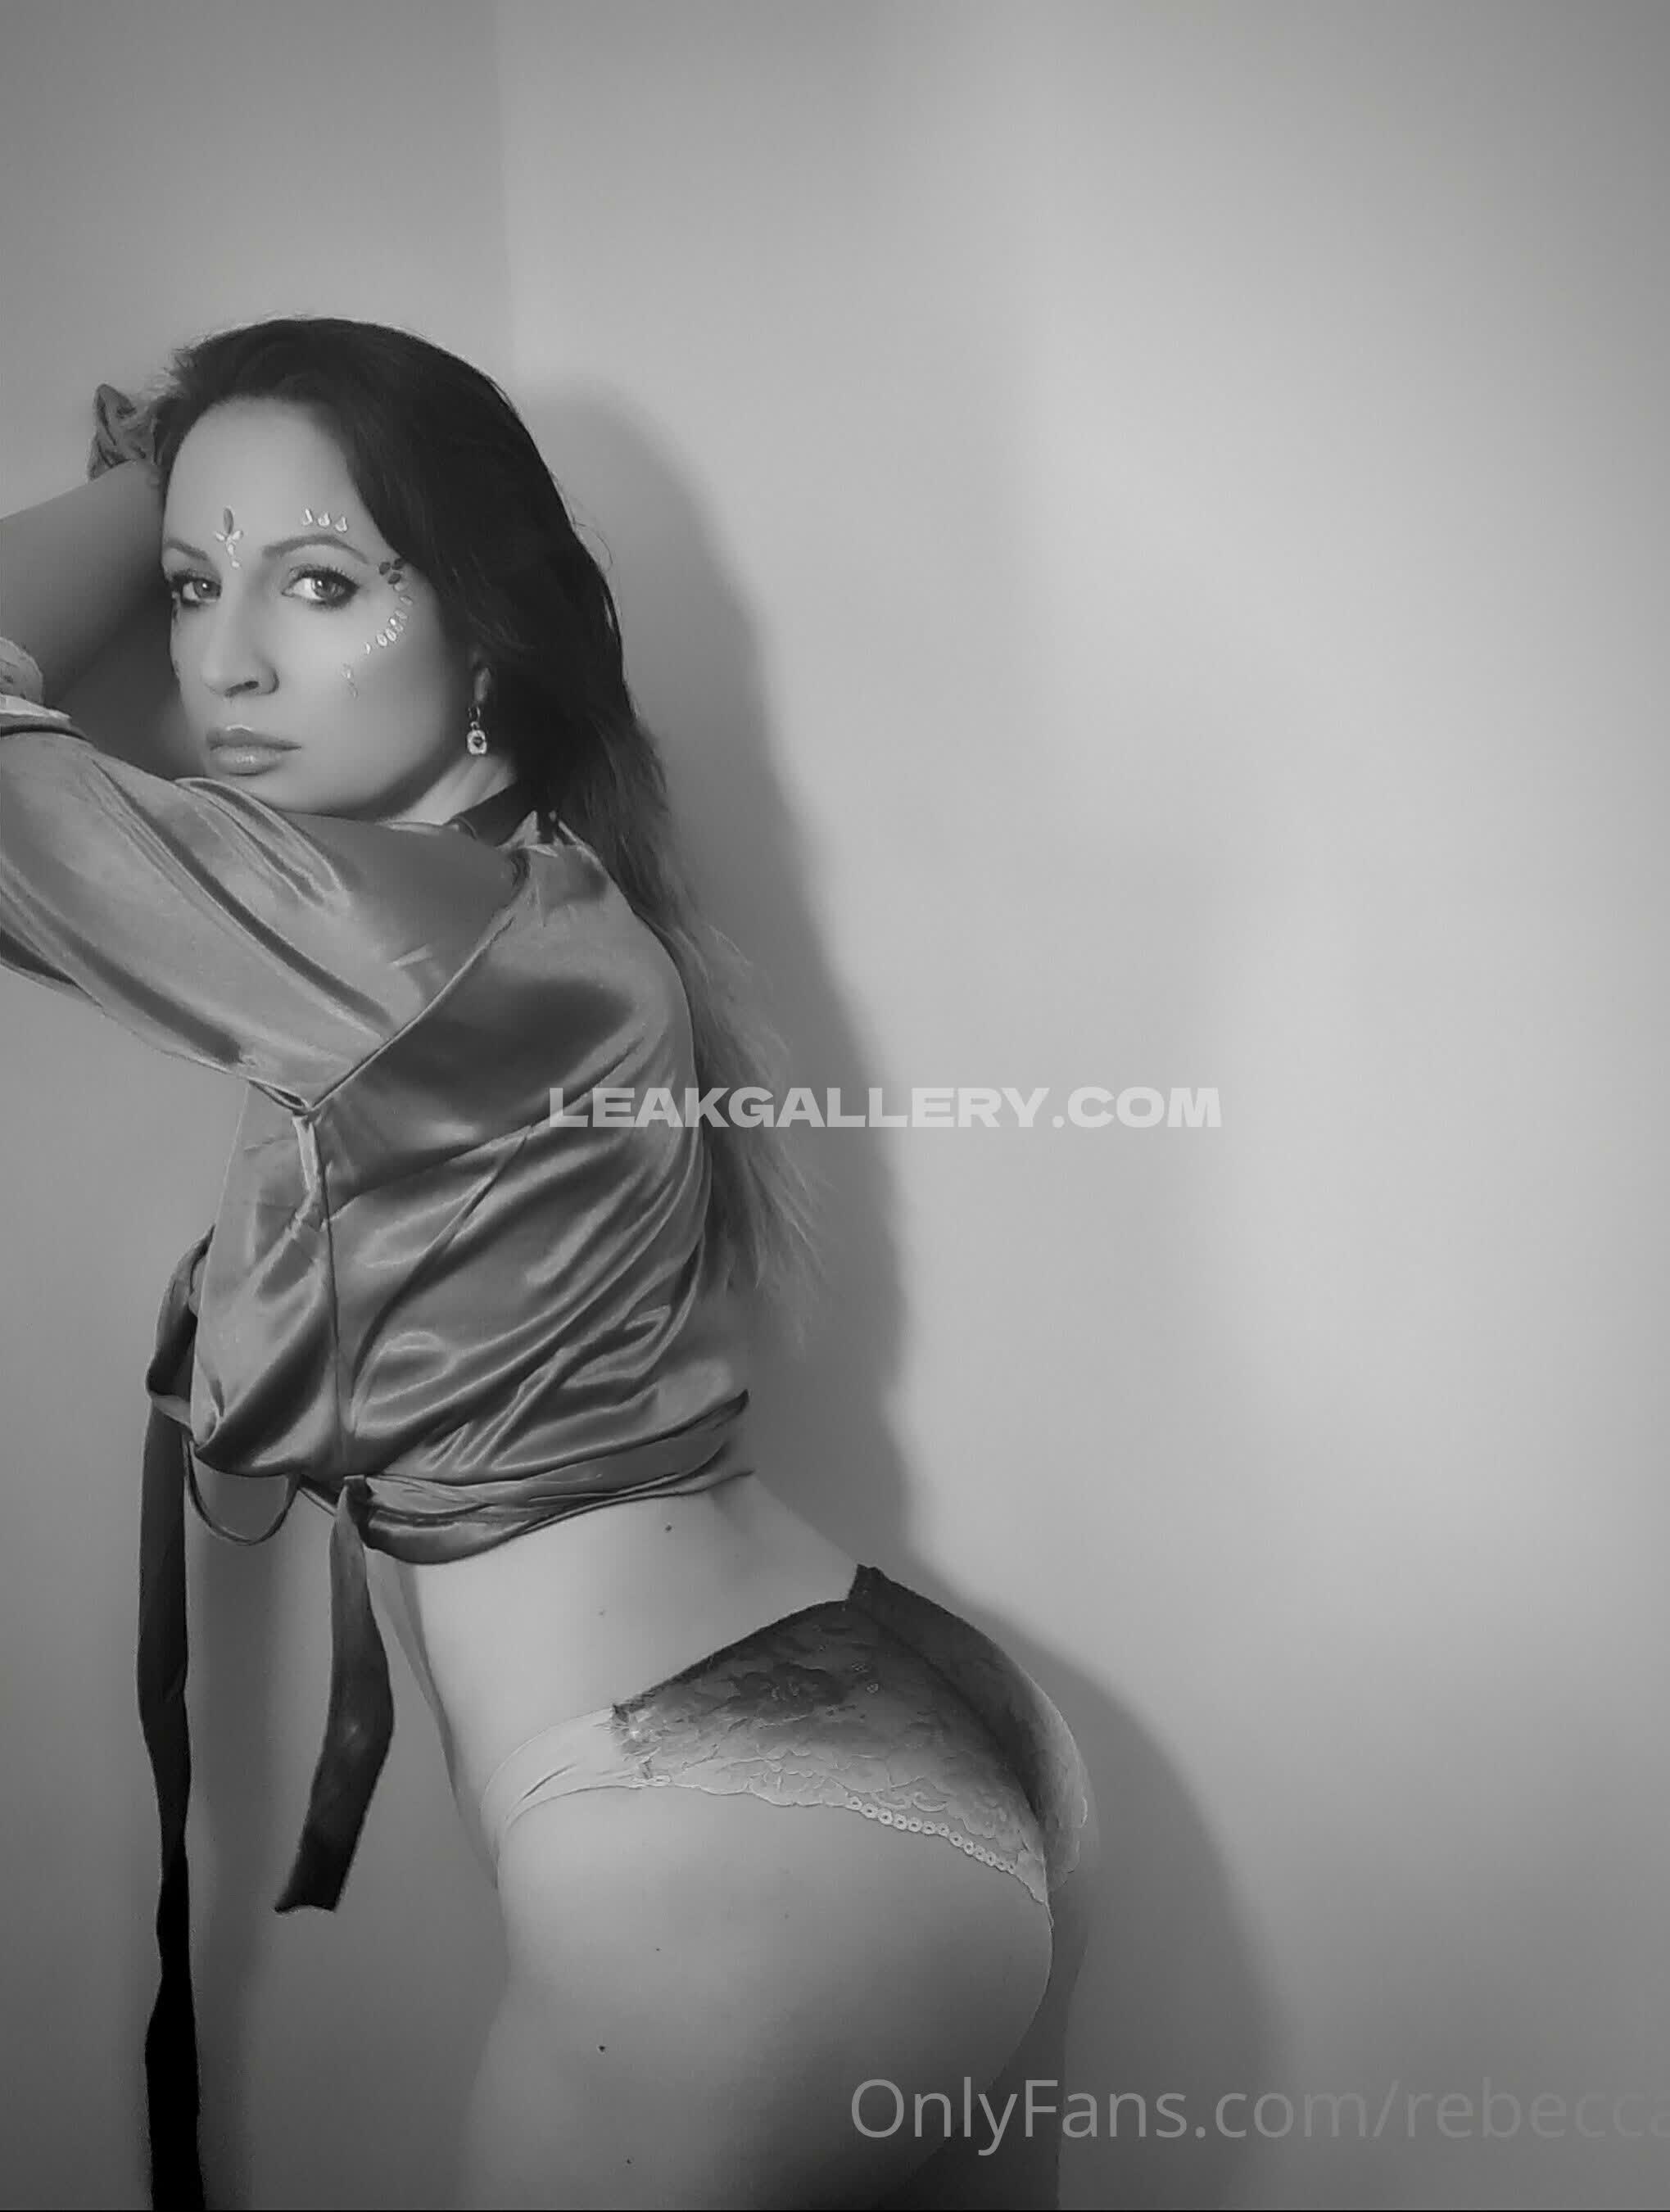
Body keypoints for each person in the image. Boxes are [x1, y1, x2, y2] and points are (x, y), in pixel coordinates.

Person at [0, 316, 1098, 2212]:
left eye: (321, 583)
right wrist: (210, 481)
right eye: (189, 588)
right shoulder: (548, 901)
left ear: (487, 630)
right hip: (917, 1716)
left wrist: (152, 477)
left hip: (720, 1842)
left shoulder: (386, 931)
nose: (226, 659)